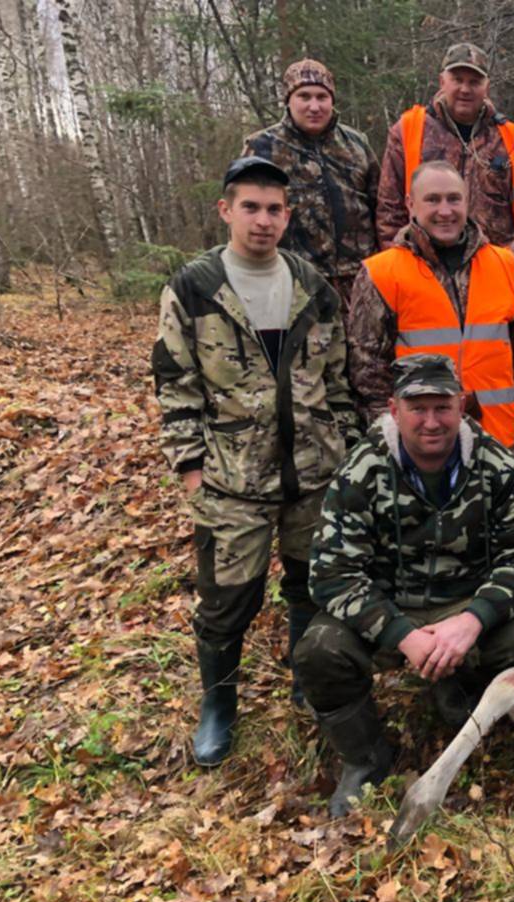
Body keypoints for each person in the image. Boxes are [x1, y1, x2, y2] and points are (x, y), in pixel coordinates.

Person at [152, 157, 359, 765]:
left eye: (274, 209)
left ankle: (306, 681)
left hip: (313, 474)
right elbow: (175, 381)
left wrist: (343, 448)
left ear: (287, 215)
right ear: (226, 210)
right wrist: (191, 467)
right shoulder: (196, 287)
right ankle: (218, 705)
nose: (263, 221)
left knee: (309, 587)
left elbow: (338, 378)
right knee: (226, 604)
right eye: (251, 207)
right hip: (231, 480)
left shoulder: (311, 284)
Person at [294, 354, 514, 816]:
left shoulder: (496, 464)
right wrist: (403, 636)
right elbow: (331, 573)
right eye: (418, 408)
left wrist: (473, 620)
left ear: (462, 406)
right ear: (394, 410)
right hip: (390, 610)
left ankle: (461, 697)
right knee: (318, 652)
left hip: (465, 605)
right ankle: (365, 759)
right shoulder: (362, 469)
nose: (431, 421)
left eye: (442, 407)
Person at [346, 159, 514, 527]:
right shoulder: (381, 273)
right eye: (432, 200)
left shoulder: (504, 264)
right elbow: (368, 371)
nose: (445, 211)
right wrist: (397, 440)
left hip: (502, 440)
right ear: (411, 205)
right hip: (424, 449)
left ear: (467, 201)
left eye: (453, 199)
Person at [242, 59, 380, 307]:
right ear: (288, 100)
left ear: (332, 100)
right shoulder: (262, 147)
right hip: (293, 285)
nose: (314, 106)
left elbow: (380, 208)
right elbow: (245, 219)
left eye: (322, 97)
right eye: (304, 96)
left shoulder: (357, 144)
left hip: (360, 283)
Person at [376, 42, 514, 248]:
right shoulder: (409, 130)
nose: (465, 89)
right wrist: (396, 259)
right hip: (424, 266)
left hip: (493, 267)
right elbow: (389, 210)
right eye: (457, 80)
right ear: (442, 81)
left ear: (487, 87)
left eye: (474, 81)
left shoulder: (510, 137)